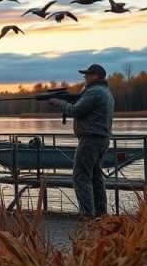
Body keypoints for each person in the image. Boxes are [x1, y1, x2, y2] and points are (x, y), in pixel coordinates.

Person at [49, 63, 115, 218]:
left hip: (90, 139)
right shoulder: (105, 92)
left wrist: (59, 103)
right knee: (96, 176)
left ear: (96, 76)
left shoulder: (94, 92)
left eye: (88, 74)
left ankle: (87, 215)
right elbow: (82, 108)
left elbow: (75, 111)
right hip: (102, 139)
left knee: (80, 176)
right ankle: (100, 214)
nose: (85, 77)